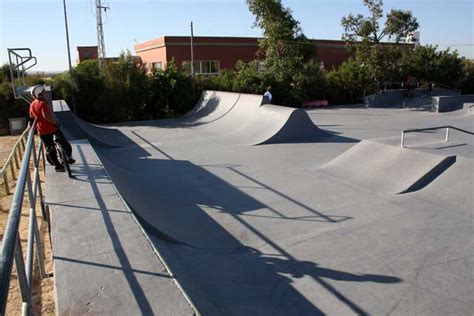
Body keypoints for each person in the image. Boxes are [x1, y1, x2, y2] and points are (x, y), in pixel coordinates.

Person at [29, 85, 75, 172]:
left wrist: (38, 117)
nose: (45, 94)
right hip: (51, 127)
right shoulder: (42, 103)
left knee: (49, 147)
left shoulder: (32, 104)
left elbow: (31, 116)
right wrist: (55, 122)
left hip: (42, 130)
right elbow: (46, 116)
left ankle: (58, 166)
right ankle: (69, 157)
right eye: (43, 92)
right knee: (63, 140)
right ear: (39, 94)